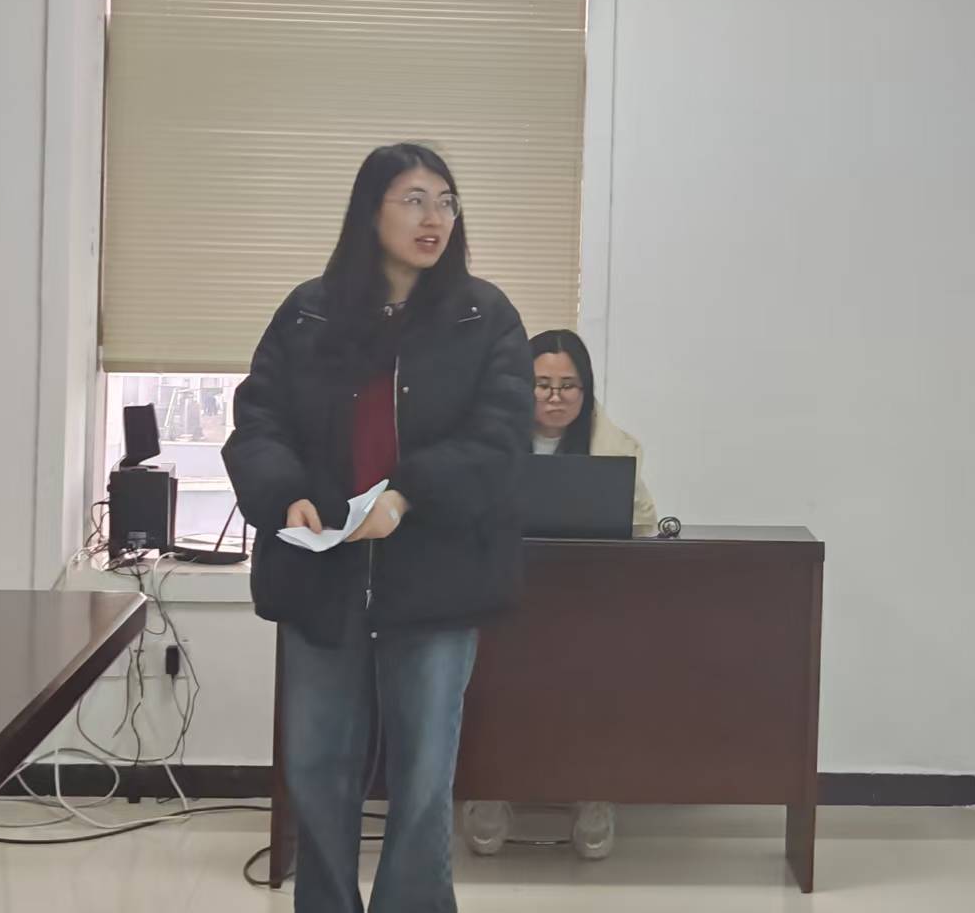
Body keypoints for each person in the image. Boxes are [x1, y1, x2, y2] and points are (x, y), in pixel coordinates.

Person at [224, 143, 532, 913]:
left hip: (436, 579)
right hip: (323, 573)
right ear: (371, 211)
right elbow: (258, 419)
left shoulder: (484, 316)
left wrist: (406, 495)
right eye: (414, 199)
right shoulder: (310, 312)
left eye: (446, 201)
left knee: (423, 776)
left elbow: (499, 437)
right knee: (317, 768)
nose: (435, 218)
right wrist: (284, 495)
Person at [462, 328, 655, 862]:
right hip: (501, 599)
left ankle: (594, 794)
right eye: (541, 384)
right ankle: (488, 791)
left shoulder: (617, 449)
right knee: (490, 684)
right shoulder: (486, 442)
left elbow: (642, 526)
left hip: (586, 603)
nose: (554, 397)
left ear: (585, 390)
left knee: (597, 683)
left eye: (568, 385)